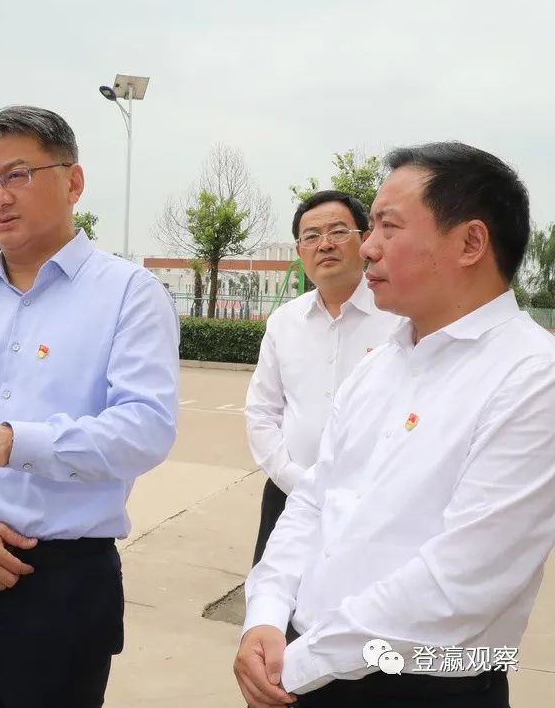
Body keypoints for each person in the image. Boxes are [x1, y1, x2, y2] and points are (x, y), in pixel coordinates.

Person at [235, 142, 555, 708]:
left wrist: (298, 664)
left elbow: (461, 581)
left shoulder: (532, 377)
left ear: (471, 243)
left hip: (425, 685)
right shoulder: (380, 365)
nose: (368, 247)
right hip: (306, 664)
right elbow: (313, 500)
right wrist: (264, 616)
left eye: (387, 226)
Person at [0, 106, 180, 708]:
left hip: (62, 583)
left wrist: (14, 442)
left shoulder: (128, 295)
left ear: (73, 181)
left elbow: (145, 429)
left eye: (17, 175)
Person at [245, 190, 400, 565]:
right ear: (300, 251)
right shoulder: (283, 323)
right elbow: (262, 411)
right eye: (311, 236)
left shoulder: (400, 319)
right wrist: (295, 480)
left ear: (365, 240)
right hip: (289, 496)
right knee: (274, 599)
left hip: (375, 507)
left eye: (338, 232)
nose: (325, 244)